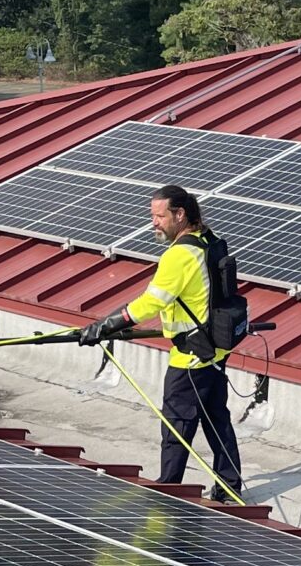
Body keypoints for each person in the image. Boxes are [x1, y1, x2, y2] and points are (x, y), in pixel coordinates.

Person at [78, 185, 244, 502]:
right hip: (216, 350)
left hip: (191, 356)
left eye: (159, 216)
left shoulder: (178, 255)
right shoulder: (209, 239)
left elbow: (151, 303)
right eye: (152, 215)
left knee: (176, 424)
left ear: (180, 215)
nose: (153, 222)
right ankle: (228, 484)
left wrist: (105, 326)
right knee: (215, 419)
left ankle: (169, 489)